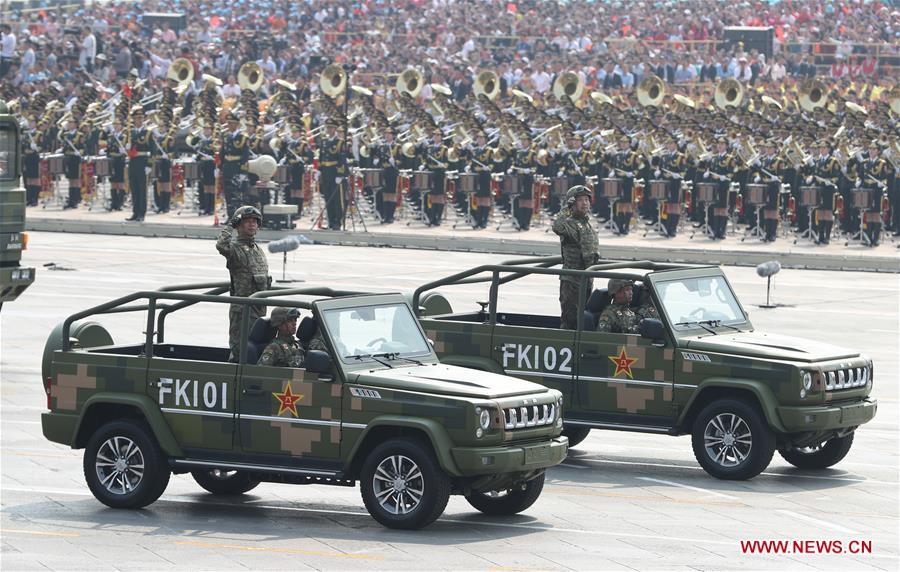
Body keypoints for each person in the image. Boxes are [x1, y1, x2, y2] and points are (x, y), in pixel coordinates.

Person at [217, 205, 271, 361]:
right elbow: (221, 245)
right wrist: (229, 226)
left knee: (255, 348)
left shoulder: (257, 250)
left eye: (255, 221)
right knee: (240, 349)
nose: (252, 224)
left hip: (259, 309)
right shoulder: (235, 248)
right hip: (242, 310)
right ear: (238, 225)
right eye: (247, 221)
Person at [552, 186, 599, 330]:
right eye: (580, 200)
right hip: (572, 280)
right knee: (570, 320)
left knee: (583, 318)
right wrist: (566, 209)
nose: (585, 203)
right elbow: (557, 227)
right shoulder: (569, 223)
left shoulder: (587, 224)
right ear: (572, 203)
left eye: (586, 200)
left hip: (586, 278)